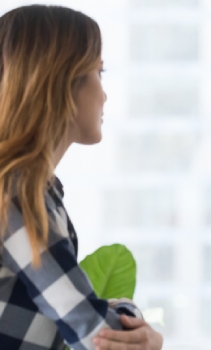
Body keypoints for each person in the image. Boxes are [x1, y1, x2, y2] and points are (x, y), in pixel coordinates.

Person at [0, 5, 163, 350]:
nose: (104, 94)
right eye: (98, 73)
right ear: (59, 83)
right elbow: (98, 335)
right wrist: (131, 314)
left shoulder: (28, 189)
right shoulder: (16, 194)